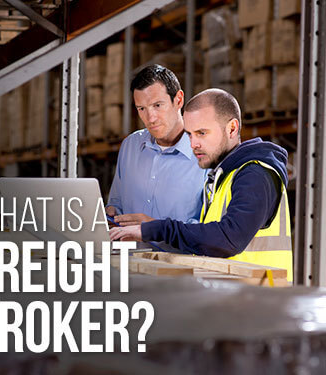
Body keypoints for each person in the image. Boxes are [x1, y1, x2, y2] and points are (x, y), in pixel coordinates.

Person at [110, 88, 293, 281]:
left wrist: (155, 229)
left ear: (232, 128)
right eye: (189, 134)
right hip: (237, 298)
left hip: (261, 302)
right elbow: (208, 240)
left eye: (202, 133)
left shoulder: (255, 174)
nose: (193, 144)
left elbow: (228, 239)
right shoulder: (223, 176)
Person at [106, 65, 208, 226]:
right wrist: (111, 214)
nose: (150, 118)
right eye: (141, 108)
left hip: (179, 252)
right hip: (130, 252)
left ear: (178, 100)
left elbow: (212, 230)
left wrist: (156, 228)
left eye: (157, 105)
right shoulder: (130, 146)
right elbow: (116, 203)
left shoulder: (207, 154)